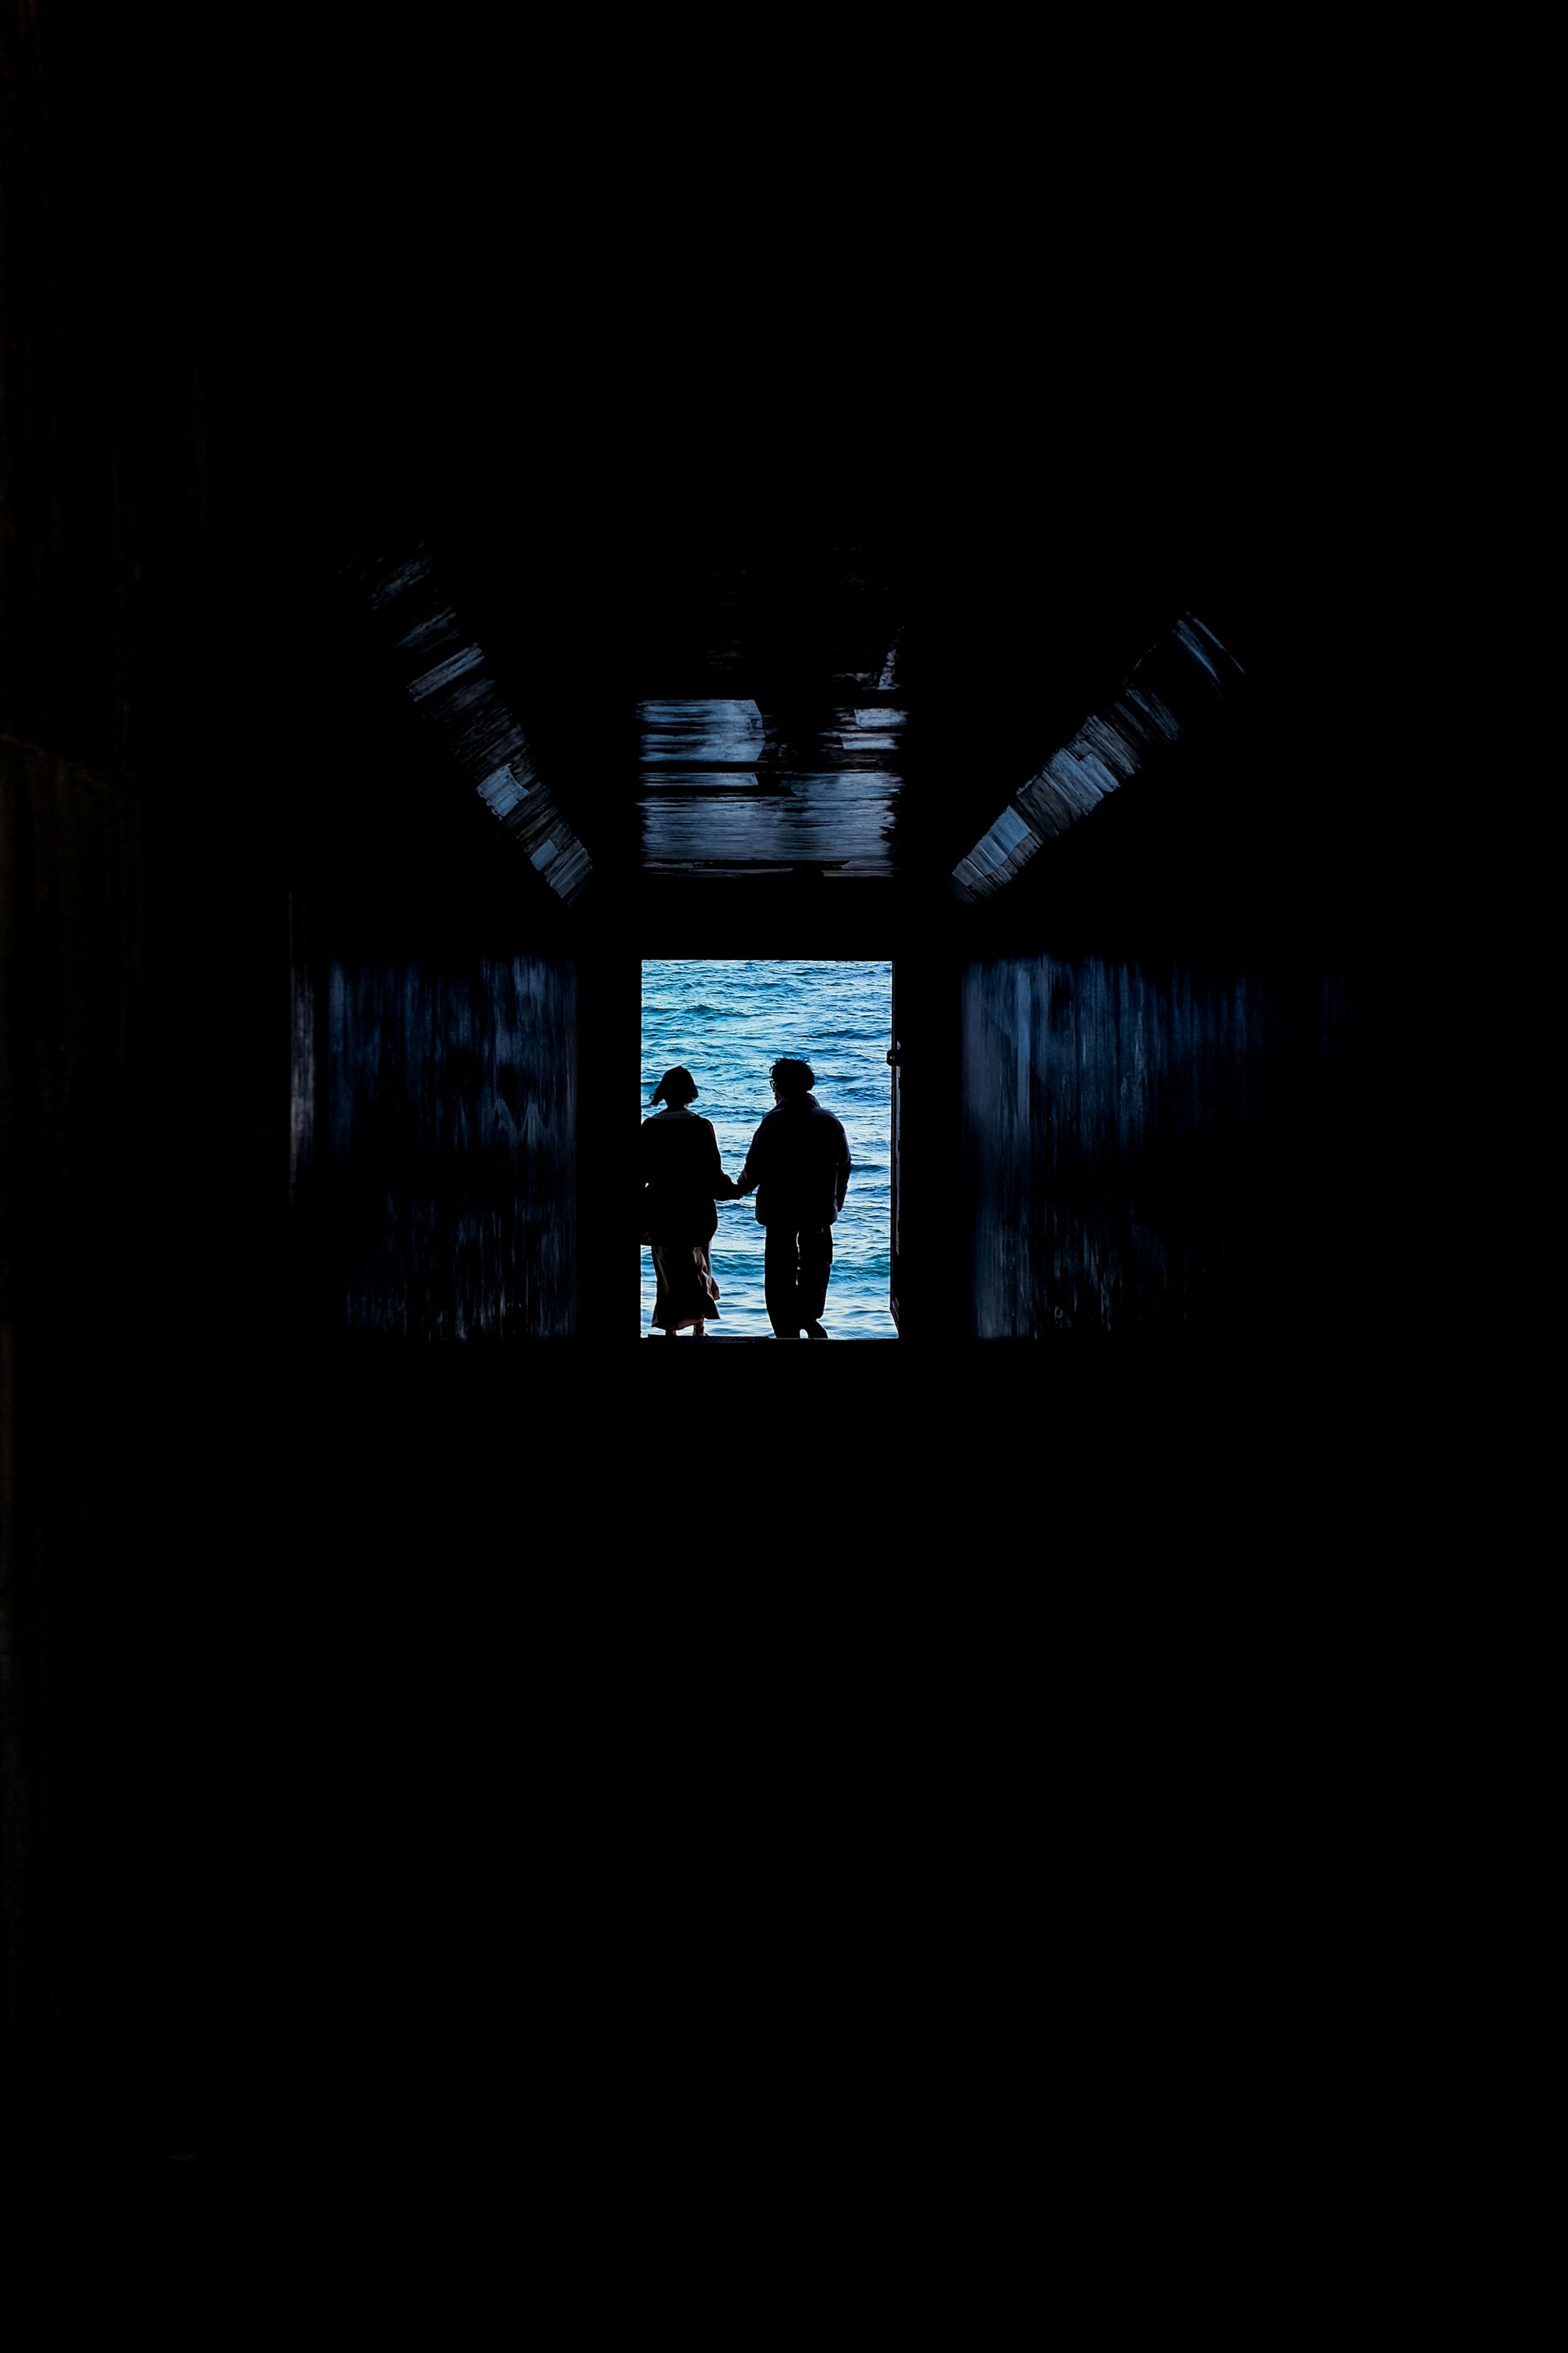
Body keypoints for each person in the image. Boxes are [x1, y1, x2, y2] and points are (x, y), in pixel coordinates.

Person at [731, 1057, 852, 1338]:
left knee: (778, 1274)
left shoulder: (775, 1120)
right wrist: (835, 1204)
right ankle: (808, 1317)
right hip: (819, 1210)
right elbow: (844, 1166)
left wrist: (739, 1189)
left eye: (775, 1084)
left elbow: (755, 1166)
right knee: (817, 1268)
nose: (774, 1090)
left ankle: (786, 1331)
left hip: (779, 1210)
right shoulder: (830, 1122)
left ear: (782, 1086)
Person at [638, 1065, 736, 1338]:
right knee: (699, 1264)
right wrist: (734, 1190)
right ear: (690, 1093)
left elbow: (641, 1173)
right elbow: (712, 1173)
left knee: (666, 1271)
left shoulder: (650, 1126)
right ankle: (699, 1327)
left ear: (663, 1094)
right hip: (696, 1209)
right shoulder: (701, 1126)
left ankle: (670, 1330)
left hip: (661, 1209)